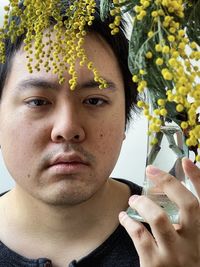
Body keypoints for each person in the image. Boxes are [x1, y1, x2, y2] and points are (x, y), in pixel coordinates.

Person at [0, 1, 199, 266]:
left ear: (126, 117)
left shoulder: (184, 242)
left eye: (94, 101)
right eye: (38, 102)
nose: (67, 129)